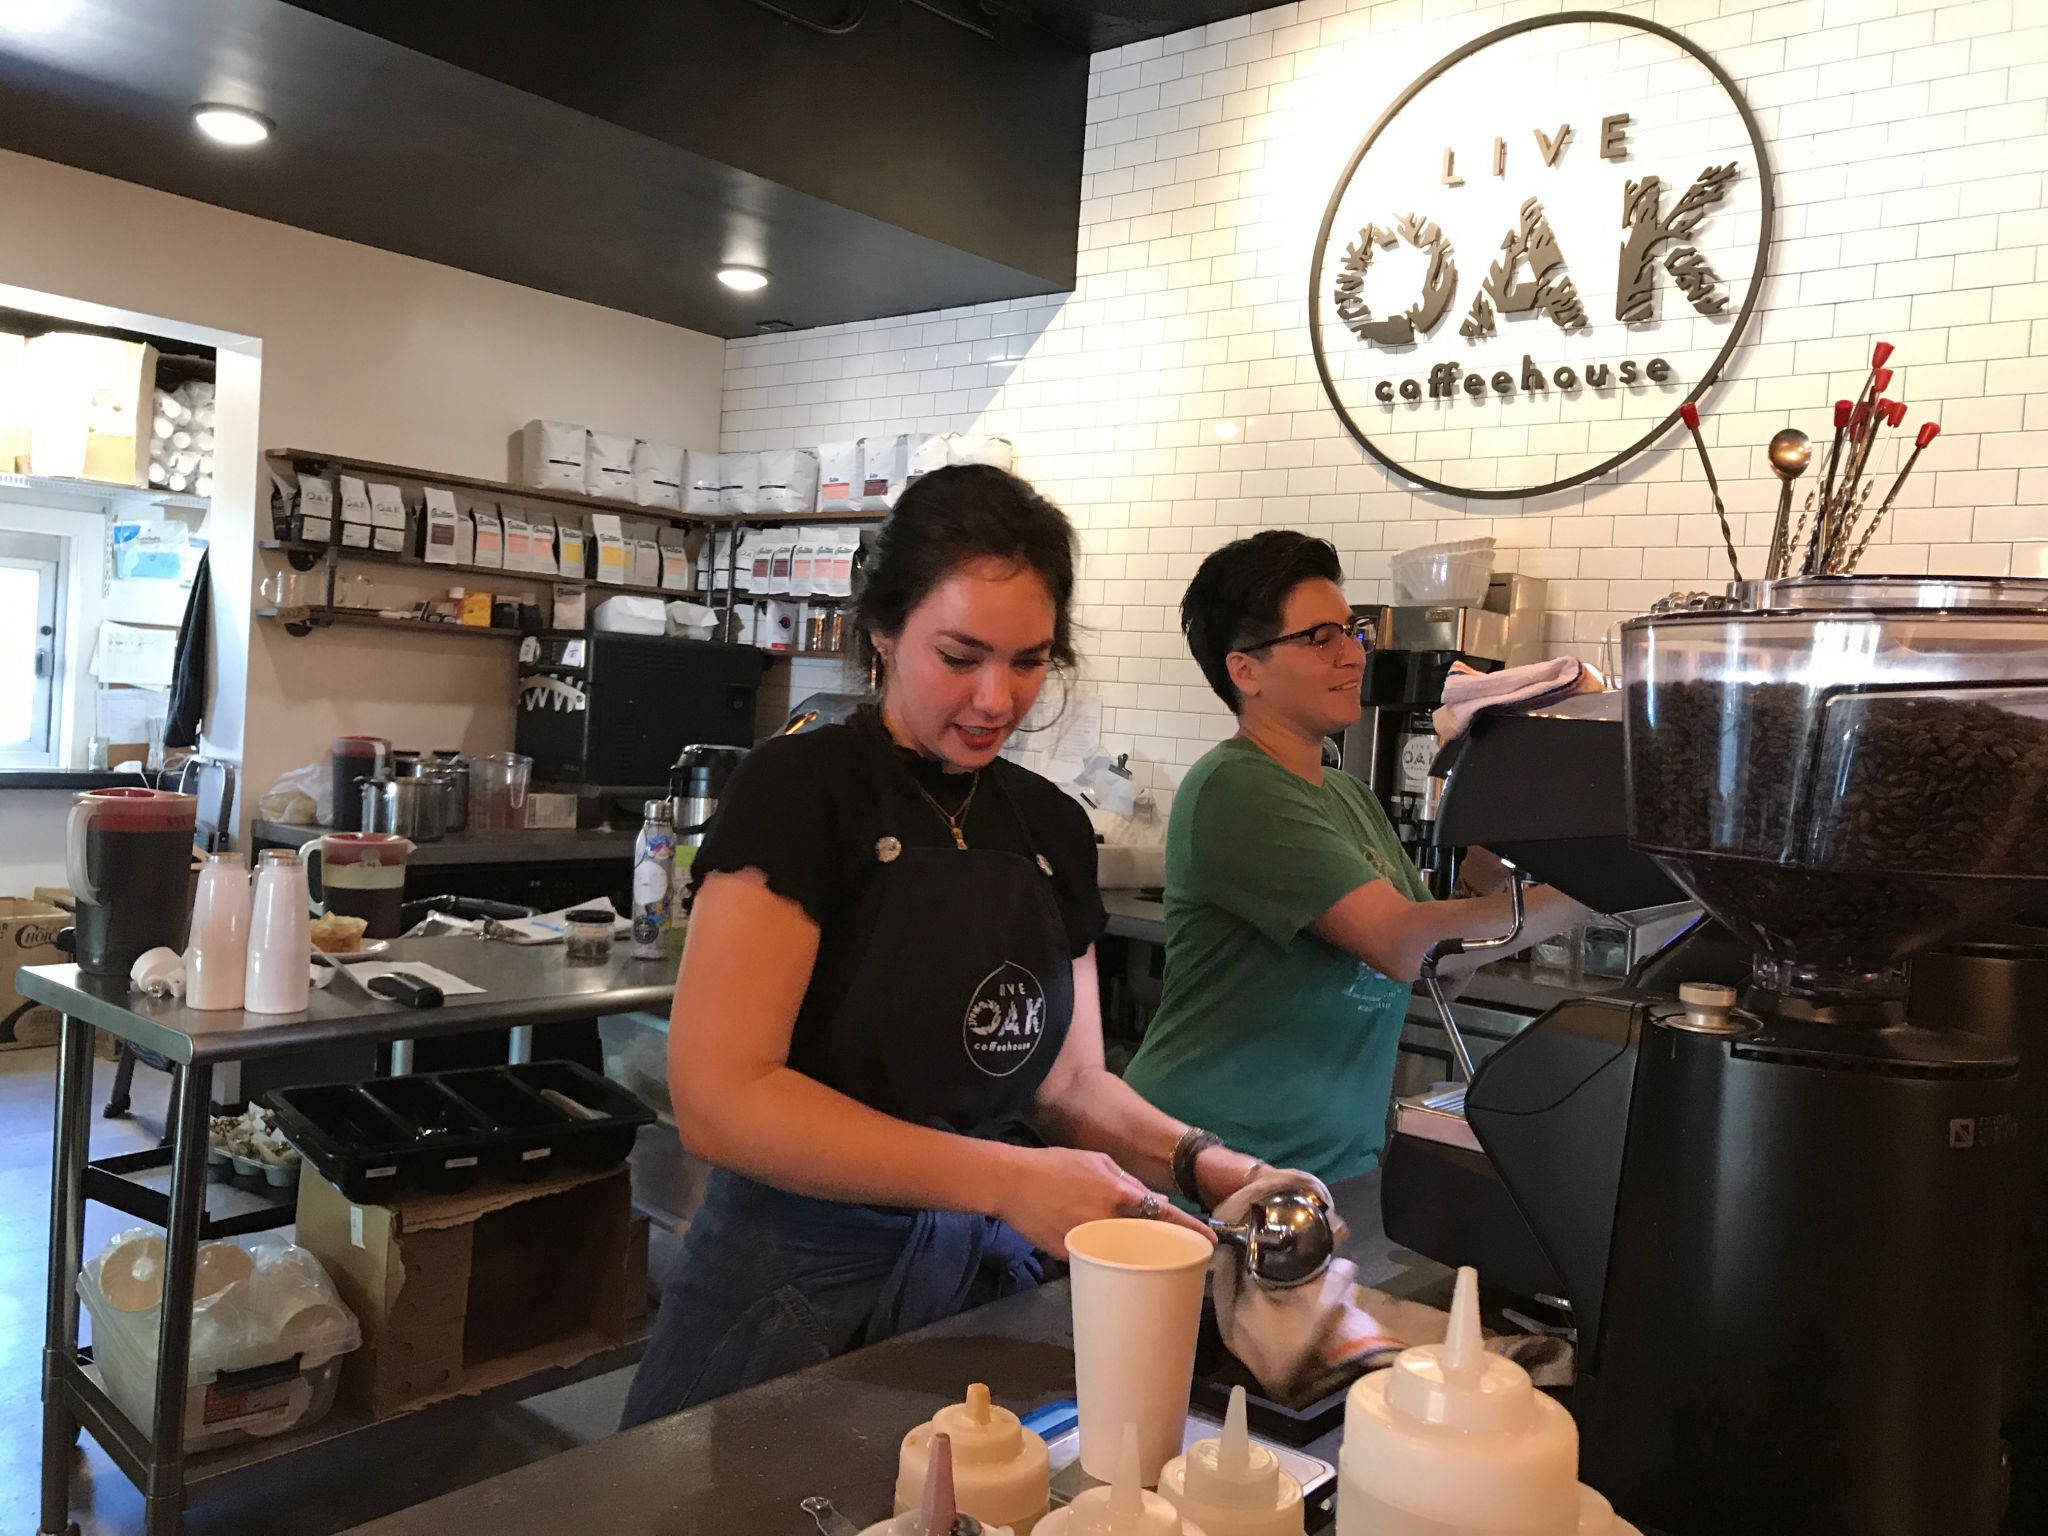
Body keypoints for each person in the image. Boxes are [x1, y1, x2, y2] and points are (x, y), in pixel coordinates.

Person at [622, 465, 1270, 1426]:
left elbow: (1070, 1086)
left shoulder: (1048, 825)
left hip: (983, 1295)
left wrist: (1217, 1169)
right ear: (882, 631)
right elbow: (722, 1099)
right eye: (960, 656)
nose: (996, 697)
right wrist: (1008, 1179)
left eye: (1028, 660)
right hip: (792, 1292)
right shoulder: (803, 790)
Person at [1122, 531, 1586, 1186]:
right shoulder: (1236, 786)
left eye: (1350, 632)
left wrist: (1501, 842)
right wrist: (1594, 891)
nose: (1354, 655)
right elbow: (1402, 946)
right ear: (1244, 669)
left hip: (1328, 1168)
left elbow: (1436, 965)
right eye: (1321, 639)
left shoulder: (1347, 795)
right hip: (1214, 1169)